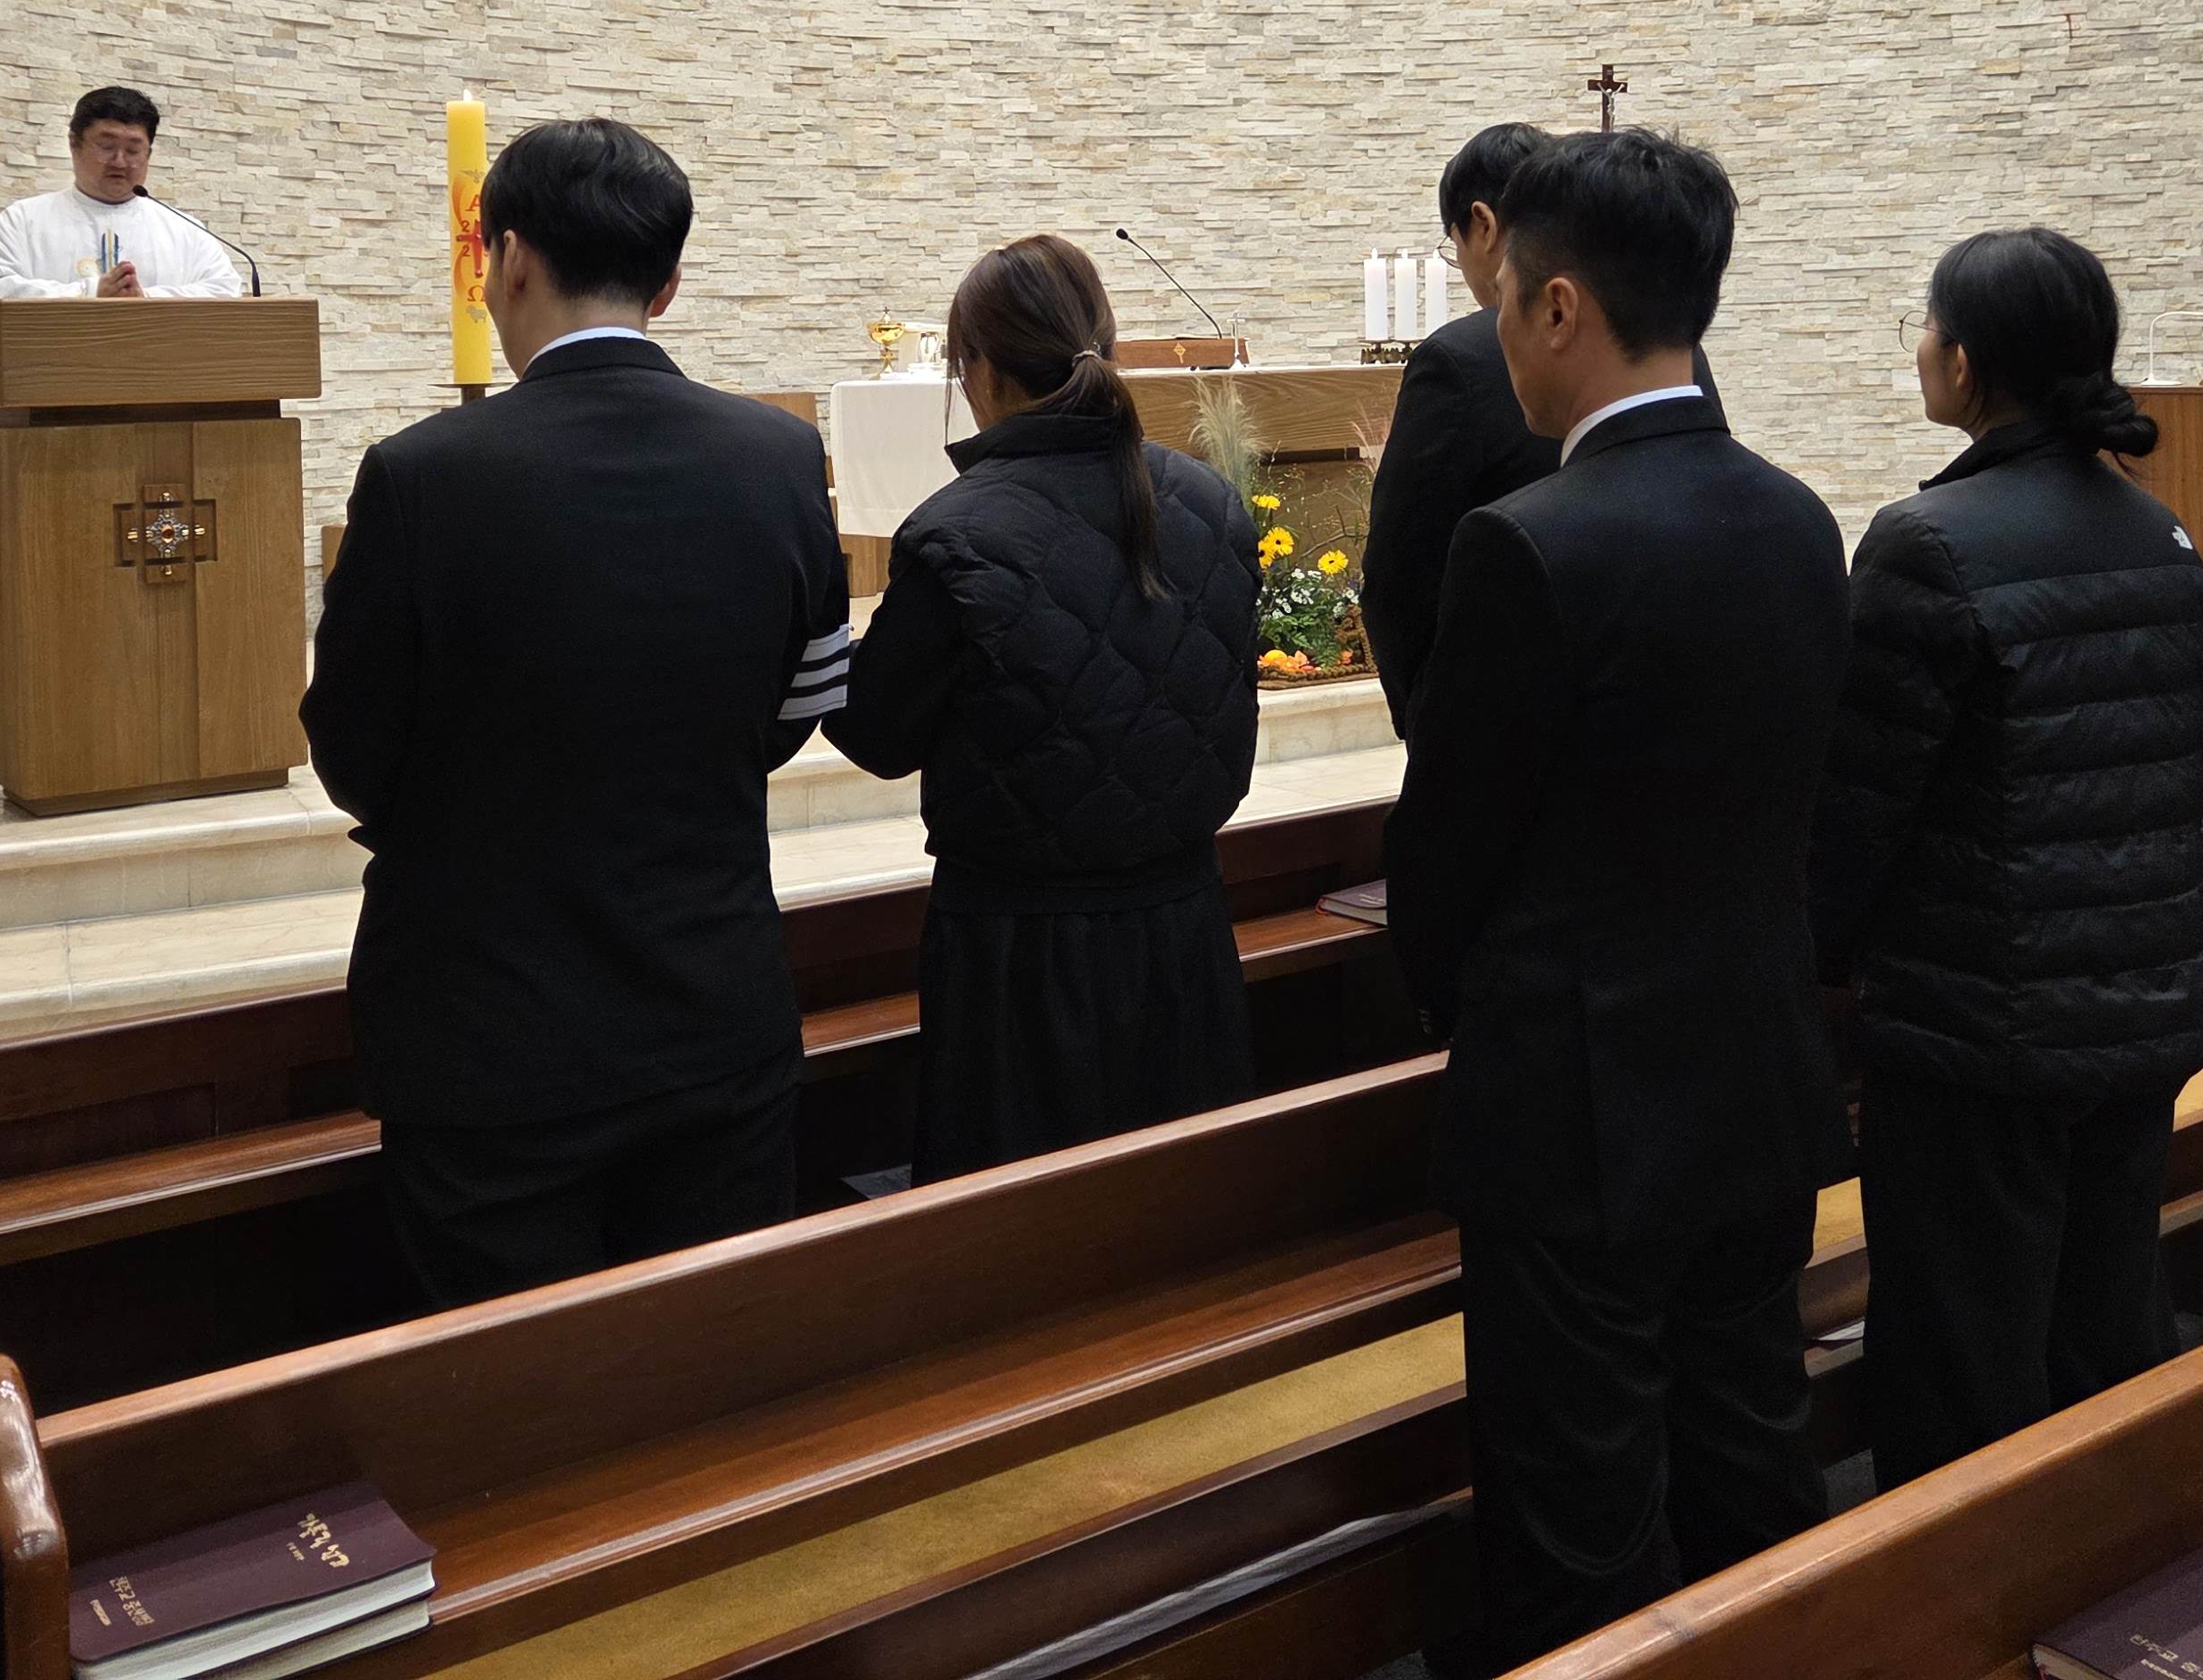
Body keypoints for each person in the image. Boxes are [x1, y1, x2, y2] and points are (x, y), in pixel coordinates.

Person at [1383, 129, 1850, 1676]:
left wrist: (1471, 1002)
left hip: (1578, 1106)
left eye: (1507, 299)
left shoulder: (1530, 543)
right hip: (1758, 1071)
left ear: (1561, 306)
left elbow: (1445, 863)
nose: (1502, 332)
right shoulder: (1797, 517)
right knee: (1748, 1452)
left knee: (1576, 1508)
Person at [300, 118, 850, 1309]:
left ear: (507, 259)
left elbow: (351, 751)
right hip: (713, 1012)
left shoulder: (420, 475)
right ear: (669, 280)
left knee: (514, 1390)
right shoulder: (779, 457)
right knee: (710, 1368)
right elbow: (804, 702)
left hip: (487, 1037)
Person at [1811, 228, 2203, 1486]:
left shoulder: (1928, 543)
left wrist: (1814, 966)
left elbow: (1856, 808)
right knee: (2104, 1331)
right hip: (2139, 1004)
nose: (1921, 351)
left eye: (1928, 328)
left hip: (1977, 1028)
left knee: (1963, 1362)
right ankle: (2113, 1565)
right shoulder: (2160, 532)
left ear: (1968, 361)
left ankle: (1965, 1587)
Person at [827, 235, 1262, 1180]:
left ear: (980, 371)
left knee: (1020, 1233)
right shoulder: (1210, 502)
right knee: (1183, 1214)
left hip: (1018, 960)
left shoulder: (959, 531)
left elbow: (876, 733)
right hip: (1186, 931)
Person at [1367, 121, 1724, 734]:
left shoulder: (1457, 361)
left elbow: (1400, 574)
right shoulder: (1675, 351)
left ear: (1483, 223)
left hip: (1505, 712)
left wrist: (1429, 720)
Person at [0, 86, 249, 301]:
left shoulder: (186, 230)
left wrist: (147, 298)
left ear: (149, 153)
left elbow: (225, 291)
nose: (119, 161)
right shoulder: (23, 221)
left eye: (133, 150)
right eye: (106, 147)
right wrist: (90, 293)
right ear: (74, 144)